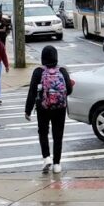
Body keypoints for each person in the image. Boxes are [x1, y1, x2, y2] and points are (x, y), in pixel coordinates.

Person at [25, 45, 73, 174]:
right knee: (58, 135)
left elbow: (32, 92)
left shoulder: (38, 72)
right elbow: (69, 89)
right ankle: (57, 164)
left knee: (43, 132)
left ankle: (46, 157)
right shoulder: (62, 71)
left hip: (43, 107)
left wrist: (27, 110)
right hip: (60, 108)